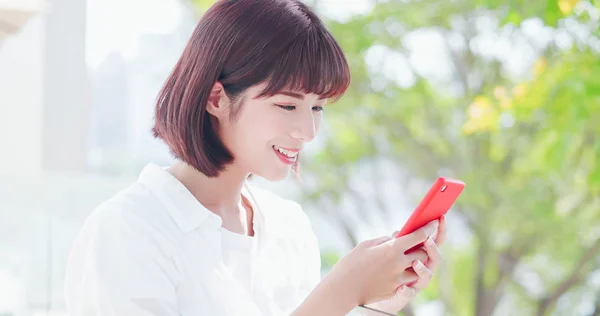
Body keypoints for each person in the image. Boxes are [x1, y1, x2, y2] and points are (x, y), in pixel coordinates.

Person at [63, 0, 447, 315]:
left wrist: (377, 302)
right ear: (216, 98)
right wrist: (342, 290)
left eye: (317, 108)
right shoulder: (128, 231)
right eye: (286, 105)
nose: (308, 132)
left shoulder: (287, 228)